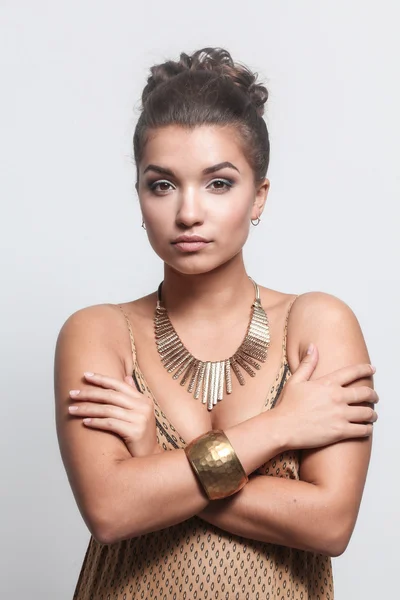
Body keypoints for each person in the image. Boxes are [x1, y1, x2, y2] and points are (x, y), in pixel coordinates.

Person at [54, 47, 378, 600]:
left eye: (219, 183)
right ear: (139, 197)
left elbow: (329, 525)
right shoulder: (98, 332)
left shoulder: (317, 324)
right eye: (162, 184)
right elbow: (111, 511)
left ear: (259, 196)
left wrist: (155, 466)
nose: (188, 212)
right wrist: (277, 428)